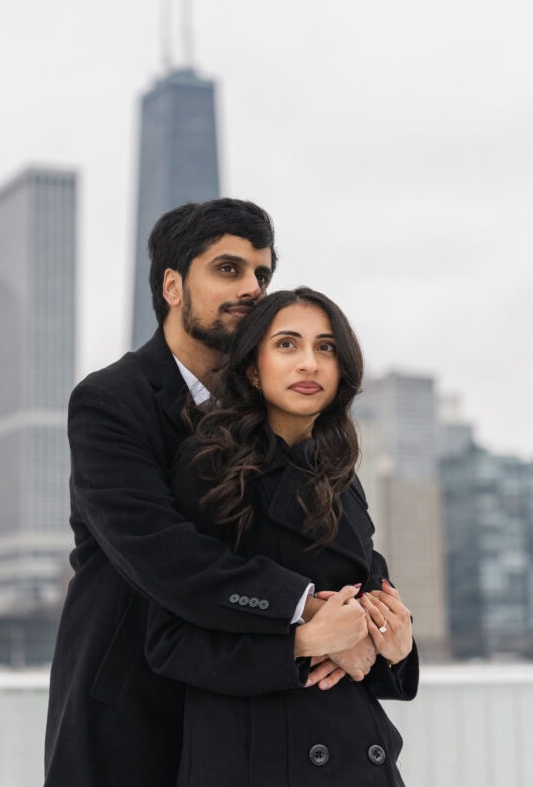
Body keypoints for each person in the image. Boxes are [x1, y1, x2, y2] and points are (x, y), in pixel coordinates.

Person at [45, 201, 339, 787]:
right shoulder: (109, 401)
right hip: (130, 712)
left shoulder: (274, 406)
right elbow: (160, 553)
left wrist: (378, 625)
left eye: (262, 273)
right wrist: (304, 606)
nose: (253, 288)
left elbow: (326, 532)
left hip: (252, 708)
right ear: (173, 286)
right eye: (228, 270)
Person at [145, 287, 419, 786]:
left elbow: (368, 609)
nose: (309, 363)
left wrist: (396, 646)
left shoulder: (342, 478)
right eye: (288, 345)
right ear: (253, 367)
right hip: (255, 762)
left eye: (326, 347)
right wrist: (300, 643)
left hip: (359, 755)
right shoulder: (212, 467)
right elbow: (170, 641)